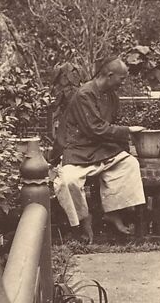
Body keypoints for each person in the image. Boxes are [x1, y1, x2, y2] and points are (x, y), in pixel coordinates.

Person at [53, 55, 147, 241]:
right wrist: (127, 130)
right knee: (68, 181)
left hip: (101, 148)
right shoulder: (84, 94)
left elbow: (112, 124)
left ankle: (113, 211)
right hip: (77, 149)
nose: (123, 82)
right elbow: (94, 128)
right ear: (110, 75)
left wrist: (125, 147)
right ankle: (83, 219)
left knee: (129, 164)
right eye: (122, 78)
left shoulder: (112, 96)